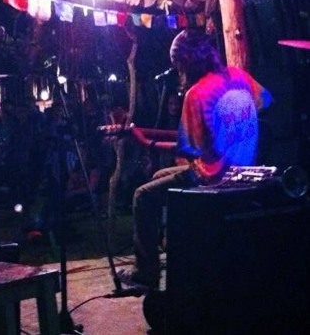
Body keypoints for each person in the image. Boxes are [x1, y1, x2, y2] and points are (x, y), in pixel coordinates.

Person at [117, 29, 273, 290]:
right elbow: (265, 101)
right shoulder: (238, 75)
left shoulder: (197, 93)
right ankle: (170, 247)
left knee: (143, 196)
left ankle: (146, 273)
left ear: (185, 63)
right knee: (158, 177)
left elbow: (187, 150)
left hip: (214, 177)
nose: (178, 71)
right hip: (243, 170)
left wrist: (145, 141)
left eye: (178, 65)